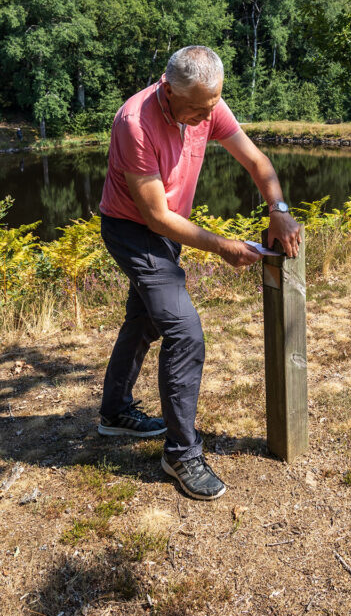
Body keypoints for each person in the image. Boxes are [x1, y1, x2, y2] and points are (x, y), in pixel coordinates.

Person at [98, 45, 301, 501]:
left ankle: (114, 413)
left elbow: (256, 162)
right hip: (134, 228)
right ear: (167, 90)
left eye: (212, 105)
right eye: (197, 108)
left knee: (146, 318)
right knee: (185, 330)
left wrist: (278, 209)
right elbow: (155, 217)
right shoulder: (135, 122)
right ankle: (181, 453)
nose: (206, 116)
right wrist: (223, 247)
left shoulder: (208, 100)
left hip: (167, 226)